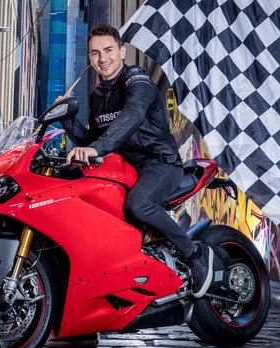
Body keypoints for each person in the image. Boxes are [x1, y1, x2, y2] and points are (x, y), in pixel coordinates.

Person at [63, 24, 215, 297]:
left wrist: (97, 148)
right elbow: (93, 140)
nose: (103, 58)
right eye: (95, 53)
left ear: (122, 51)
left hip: (160, 163)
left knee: (138, 204)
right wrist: (66, 119)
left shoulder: (138, 79)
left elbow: (132, 116)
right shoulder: (98, 97)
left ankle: (194, 255)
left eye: (108, 50)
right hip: (126, 169)